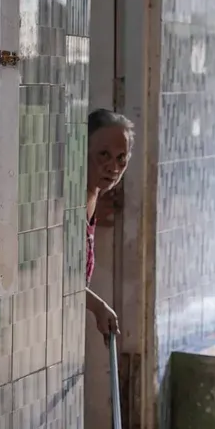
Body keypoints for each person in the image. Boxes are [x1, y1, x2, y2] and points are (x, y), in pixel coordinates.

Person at [85, 109, 134, 342]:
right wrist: (97, 306)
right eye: (103, 154)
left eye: (121, 157)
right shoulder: (69, 201)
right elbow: (51, 277)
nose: (113, 167)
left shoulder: (91, 196)